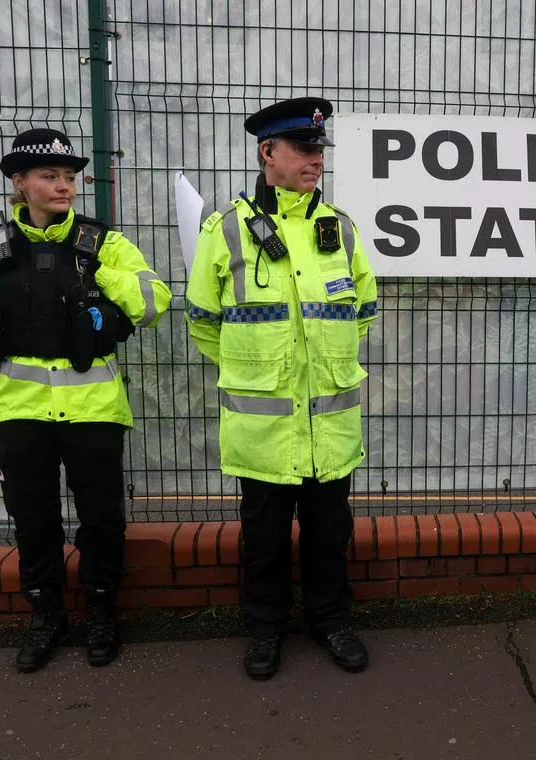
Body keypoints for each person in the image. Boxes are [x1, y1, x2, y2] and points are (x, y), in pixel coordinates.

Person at [0, 129, 170, 673]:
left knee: (102, 520)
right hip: (21, 415)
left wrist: (95, 271)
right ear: (19, 183)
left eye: (69, 177)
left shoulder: (103, 243)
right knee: (33, 521)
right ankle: (47, 616)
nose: (63, 186)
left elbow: (153, 301)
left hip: (94, 413)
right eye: (49, 176)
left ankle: (103, 611)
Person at [185, 97, 378, 680]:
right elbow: (202, 322)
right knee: (263, 540)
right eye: (304, 149)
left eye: (320, 150)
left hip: (330, 427)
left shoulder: (340, 229)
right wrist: (262, 371)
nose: (316, 160)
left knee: (329, 534)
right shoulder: (225, 231)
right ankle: (265, 631)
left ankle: (331, 622)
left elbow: (363, 311)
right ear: (268, 152)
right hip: (264, 430)